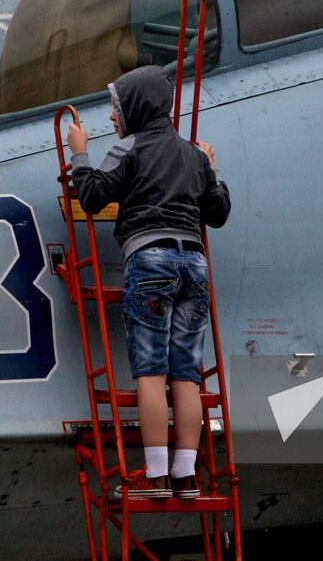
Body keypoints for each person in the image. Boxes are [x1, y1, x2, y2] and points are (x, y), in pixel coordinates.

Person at [67, 65, 231, 499]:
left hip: (150, 259)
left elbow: (93, 196)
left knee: (150, 373)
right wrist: (211, 167)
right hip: (193, 264)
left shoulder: (128, 148)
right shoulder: (194, 156)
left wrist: (78, 153)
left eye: (115, 107)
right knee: (186, 376)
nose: (111, 118)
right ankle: (186, 475)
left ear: (135, 108)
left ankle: (155, 476)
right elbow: (218, 212)